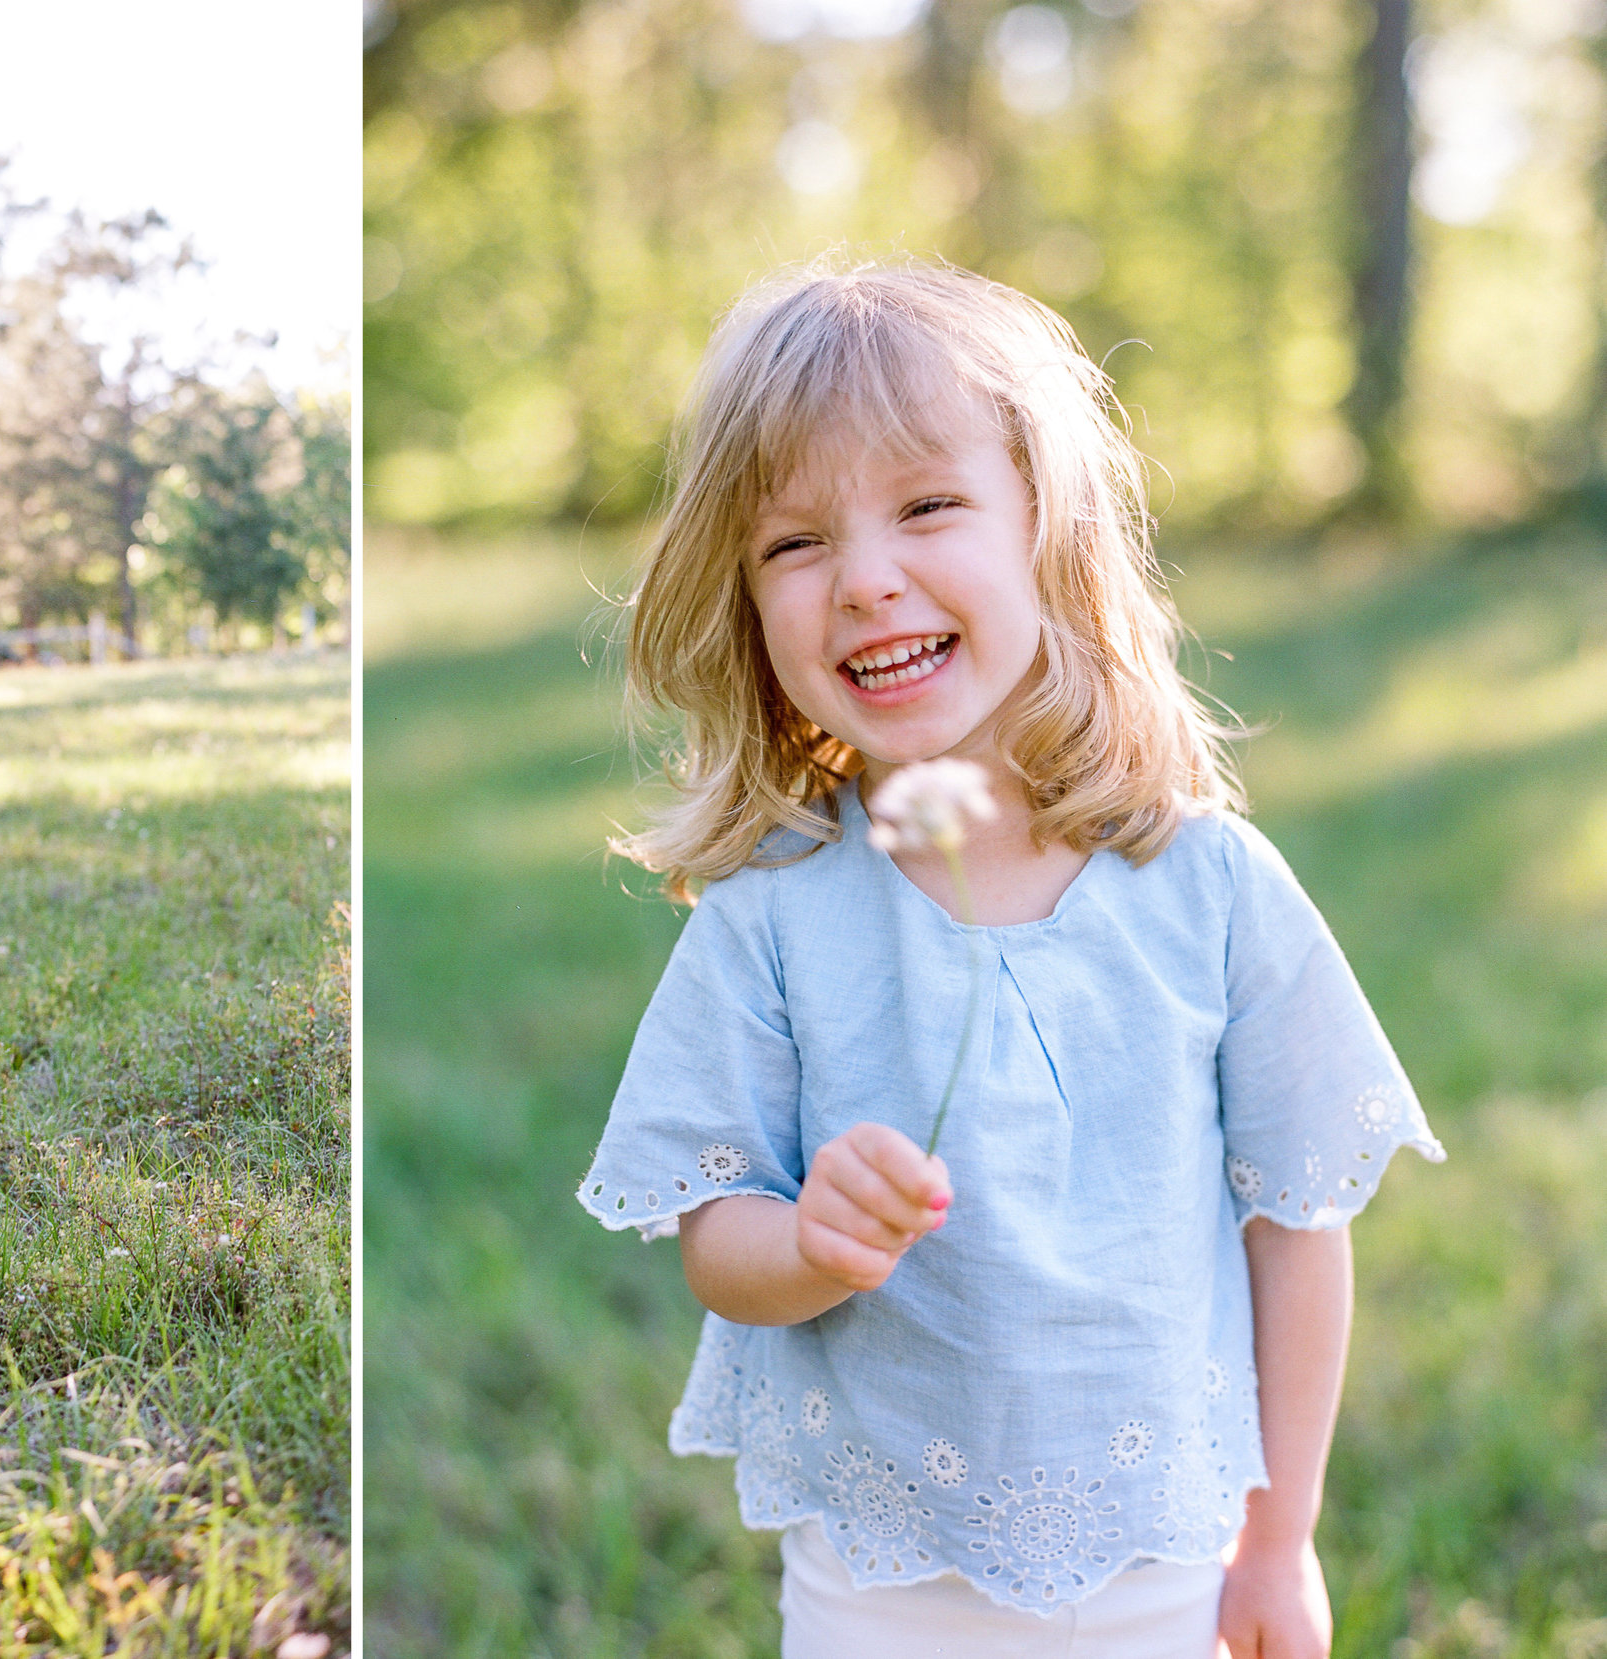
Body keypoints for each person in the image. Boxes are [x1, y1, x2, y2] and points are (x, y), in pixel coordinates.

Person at [575, 263, 1443, 1658]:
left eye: (927, 505)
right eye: (794, 542)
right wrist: (806, 1241)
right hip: (880, 1579)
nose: (865, 578)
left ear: (1047, 527)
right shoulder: (774, 911)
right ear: (745, 604)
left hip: (1169, 1555)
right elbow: (716, 1239)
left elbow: (1297, 1224)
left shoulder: (1204, 883)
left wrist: (1278, 1541)